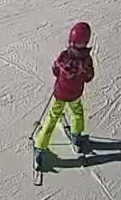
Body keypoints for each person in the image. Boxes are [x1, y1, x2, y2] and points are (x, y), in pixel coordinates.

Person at [33, 22, 95, 166]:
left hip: (60, 94)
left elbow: (55, 69)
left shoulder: (64, 56)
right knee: (77, 113)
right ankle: (76, 136)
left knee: (52, 117)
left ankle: (40, 146)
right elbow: (89, 77)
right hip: (75, 95)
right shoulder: (86, 60)